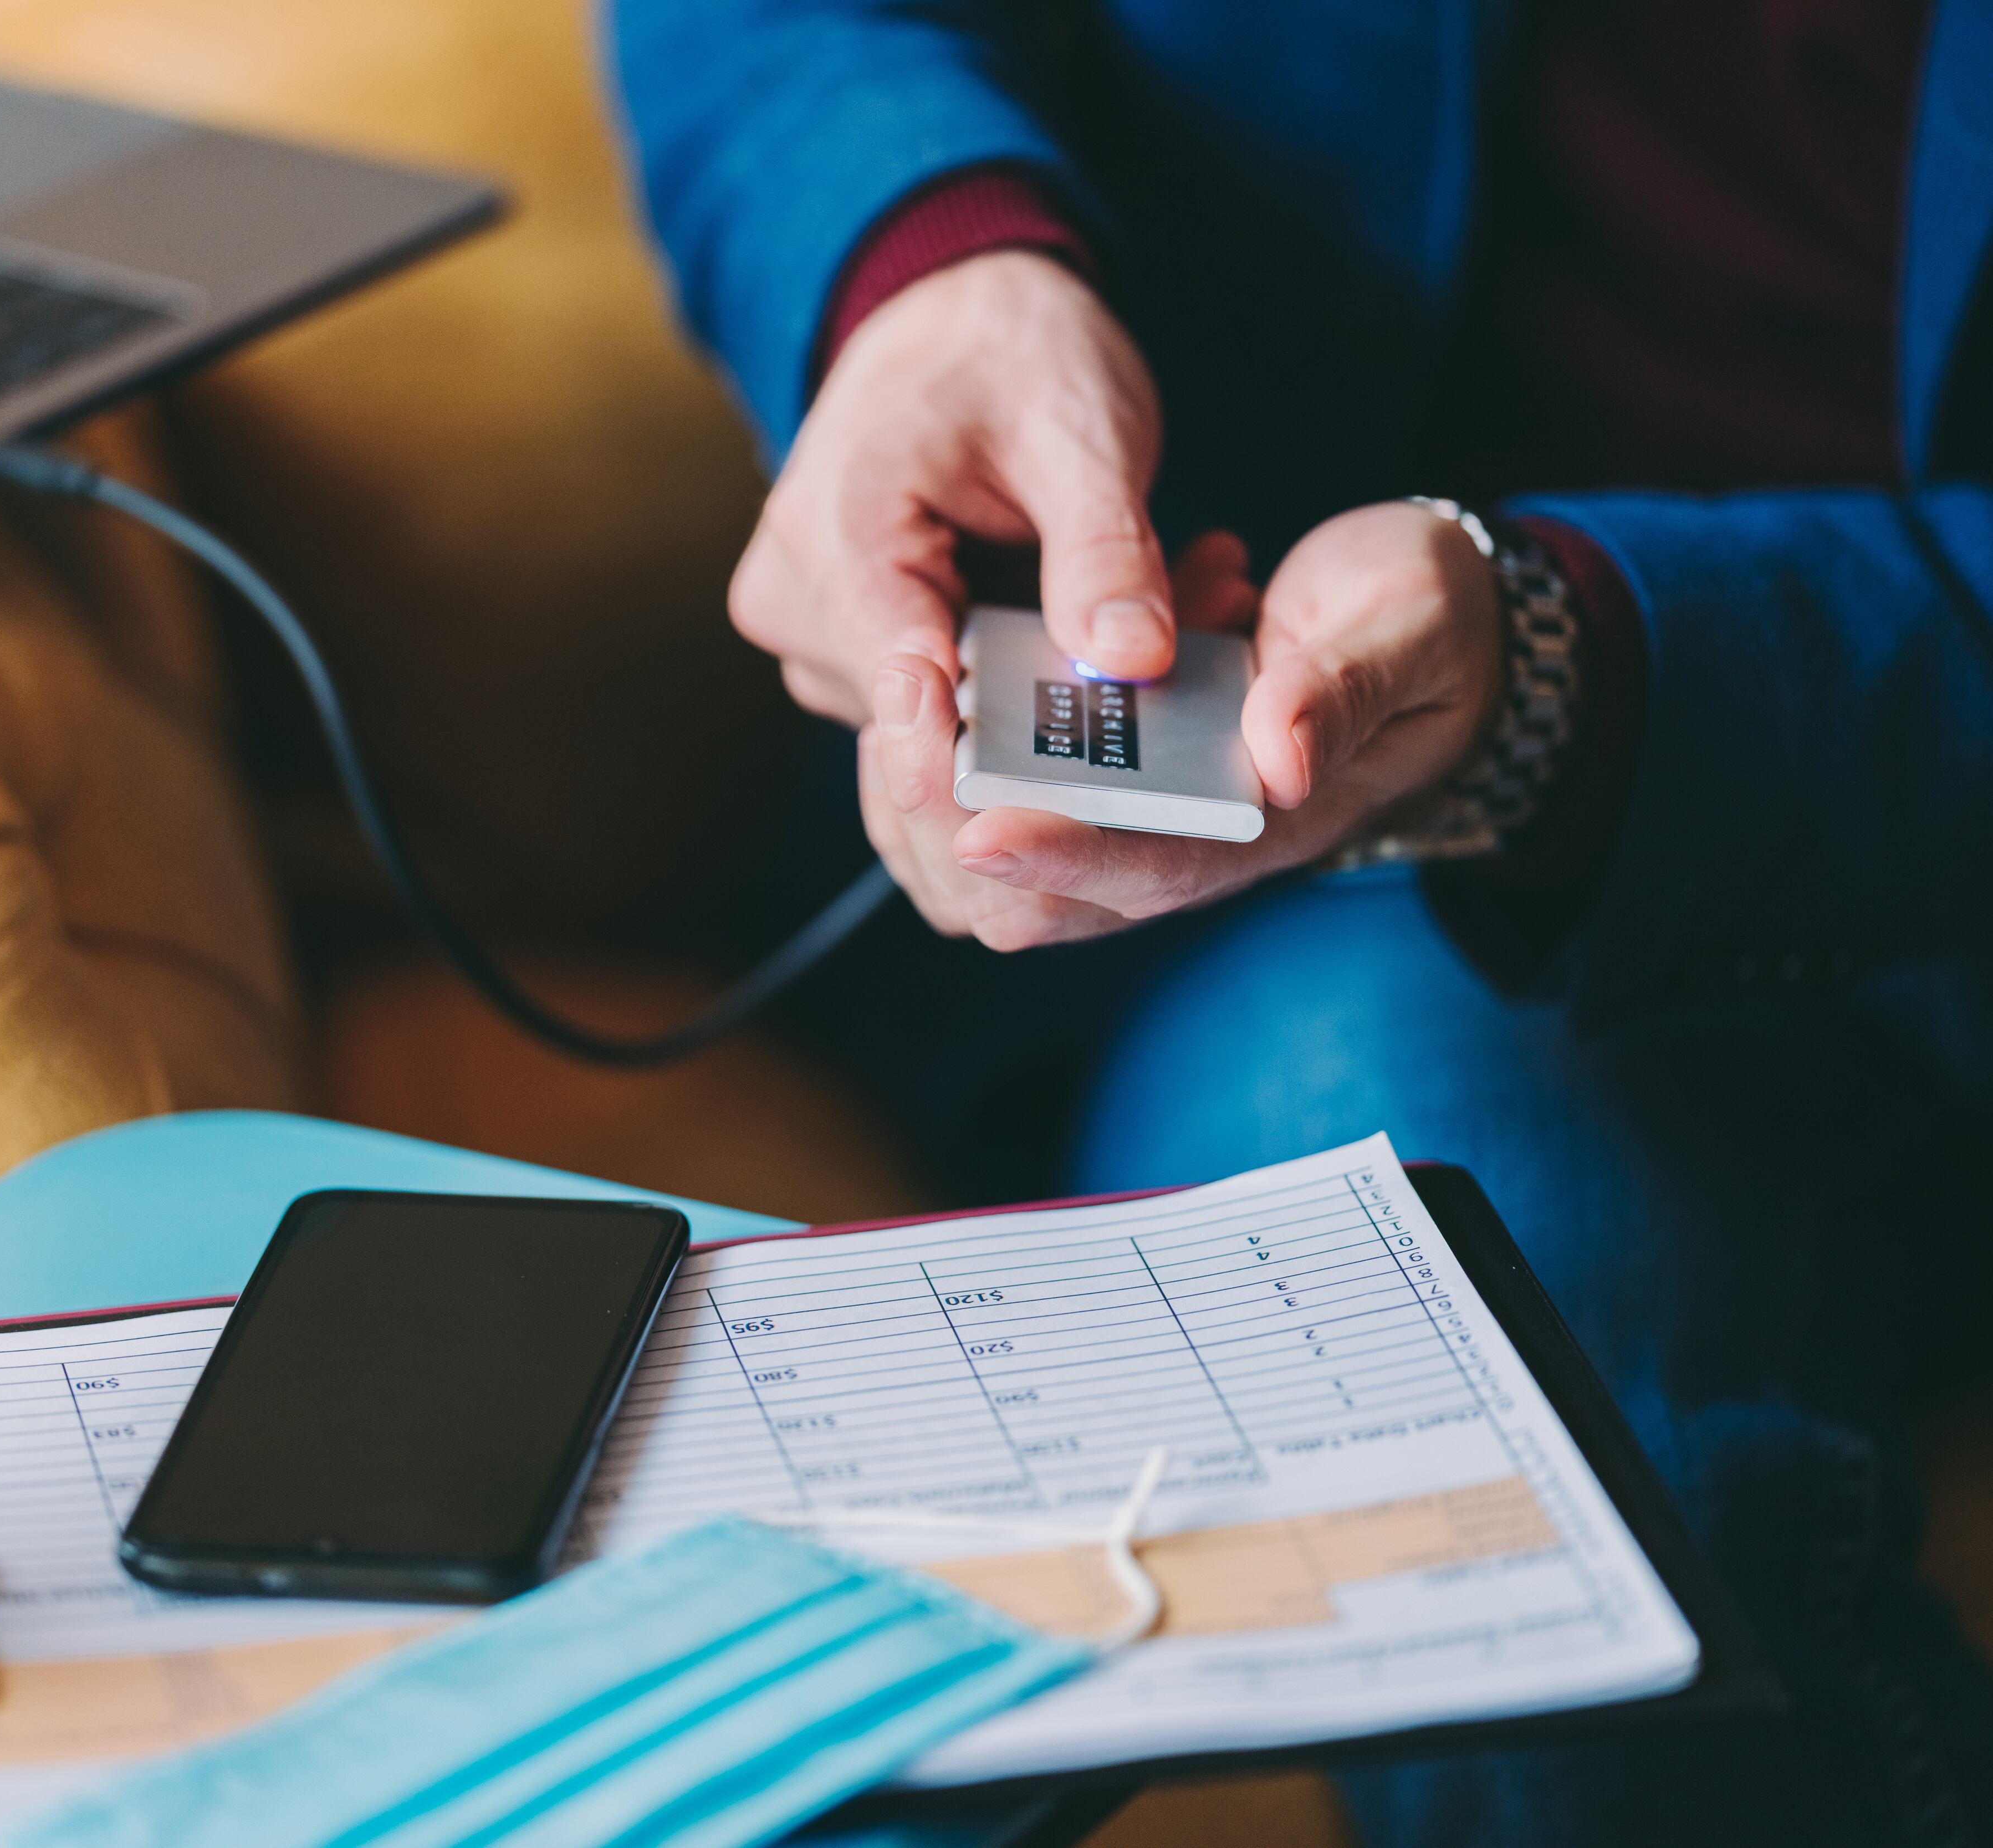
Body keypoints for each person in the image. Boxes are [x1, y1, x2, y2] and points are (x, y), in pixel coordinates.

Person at [610, 1, 1993, 1842]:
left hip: (1857, 799)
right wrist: (930, 260)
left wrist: (1563, 663)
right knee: (1417, 1233)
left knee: (1435, 1230)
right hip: (1306, 863)